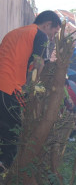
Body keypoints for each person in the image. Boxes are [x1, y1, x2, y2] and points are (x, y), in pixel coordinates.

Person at [0, 10, 61, 172]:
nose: (52, 37)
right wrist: (32, 87)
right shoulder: (39, 34)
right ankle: (6, 168)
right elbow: (39, 63)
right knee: (15, 129)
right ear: (47, 25)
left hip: (3, 83)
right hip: (9, 87)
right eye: (54, 32)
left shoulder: (15, 33)